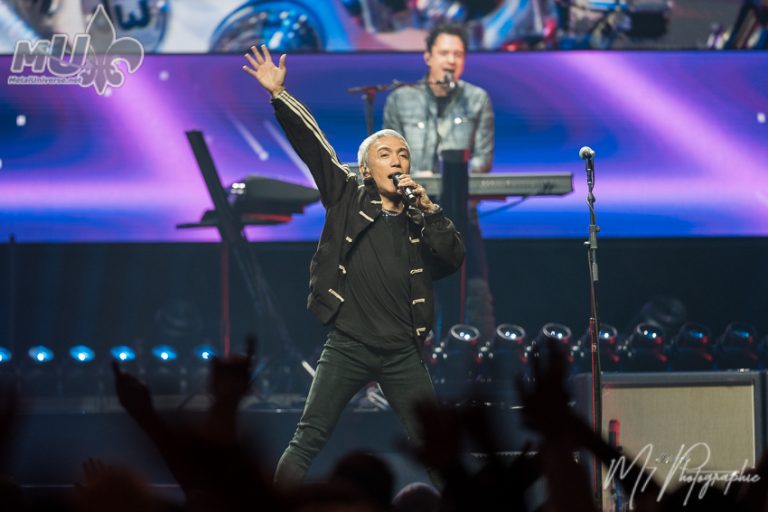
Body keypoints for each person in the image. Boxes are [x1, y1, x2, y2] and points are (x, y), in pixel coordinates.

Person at [242, 45, 465, 488]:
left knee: (435, 447)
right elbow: (315, 146)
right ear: (365, 169)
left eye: (403, 154)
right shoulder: (347, 195)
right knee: (309, 437)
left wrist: (430, 209)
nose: (397, 161)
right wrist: (280, 95)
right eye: (385, 154)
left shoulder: (419, 218)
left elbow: (453, 257)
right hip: (349, 345)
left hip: (402, 353)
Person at [383, 23, 496, 339]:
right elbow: (388, 159)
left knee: (475, 301)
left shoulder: (477, 99)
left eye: (458, 54)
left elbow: (483, 161)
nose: (451, 60)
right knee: (406, 300)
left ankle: (472, 358)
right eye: (444, 53)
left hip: (460, 219)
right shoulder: (401, 99)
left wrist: (450, 177)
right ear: (428, 57)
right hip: (410, 218)